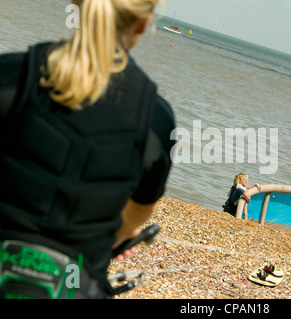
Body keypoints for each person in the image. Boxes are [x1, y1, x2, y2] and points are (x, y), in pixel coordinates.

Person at [0, 0, 174, 299]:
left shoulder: (10, 75)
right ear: (143, 23)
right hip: (76, 283)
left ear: (75, 5)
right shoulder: (156, 119)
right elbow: (133, 218)